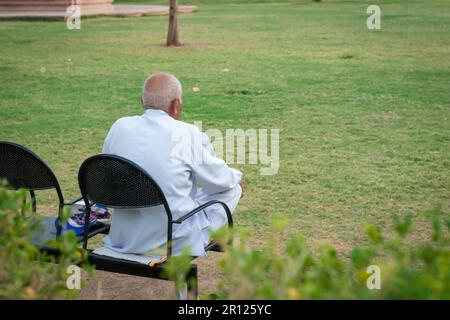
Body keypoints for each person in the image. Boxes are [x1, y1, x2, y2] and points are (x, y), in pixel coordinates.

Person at [101, 72, 243, 257]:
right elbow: (221, 182)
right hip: (171, 241)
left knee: (178, 195)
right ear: (177, 105)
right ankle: (200, 237)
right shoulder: (187, 134)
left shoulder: (119, 126)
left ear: (142, 102)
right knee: (233, 189)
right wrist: (237, 178)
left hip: (123, 236)